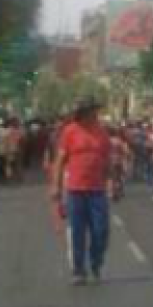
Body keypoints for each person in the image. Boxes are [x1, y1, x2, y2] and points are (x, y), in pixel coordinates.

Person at [49, 97, 112, 285]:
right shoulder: (70, 132)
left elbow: (107, 160)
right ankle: (78, 270)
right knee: (77, 232)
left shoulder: (102, 133)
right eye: (90, 111)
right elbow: (60, 161)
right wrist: (56, 186)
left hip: (97, 191)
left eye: (94, 111)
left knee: (100, 230)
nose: (94, 114)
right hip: (76, 190)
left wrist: (111, 182)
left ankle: (95, 262)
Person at [1, 118, 25, 184]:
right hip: (18, 149)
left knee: (8, 165)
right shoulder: (20, 131)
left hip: (10, 149)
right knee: (18, 164)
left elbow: (5, 141)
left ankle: (9, 178)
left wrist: (5, 150)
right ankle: (19, 178)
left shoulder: (7, 131)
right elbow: (23, 140)